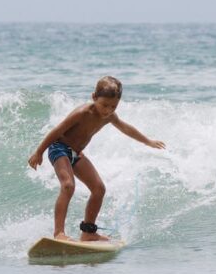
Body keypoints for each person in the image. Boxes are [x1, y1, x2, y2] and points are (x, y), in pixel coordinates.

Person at [28, 76, 166, 242]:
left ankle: (88, 232)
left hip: (76, 154)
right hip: (59, 148)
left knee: (99, 188)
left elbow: (126, 128)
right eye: (104, 105)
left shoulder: (110, 116)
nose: (108, 110)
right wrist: (39, 152)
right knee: (68, 186)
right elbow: (57, 131)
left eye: (113, 106)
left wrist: (148, 141)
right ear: (94, 97)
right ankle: (59, 233)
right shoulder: (82, 113)